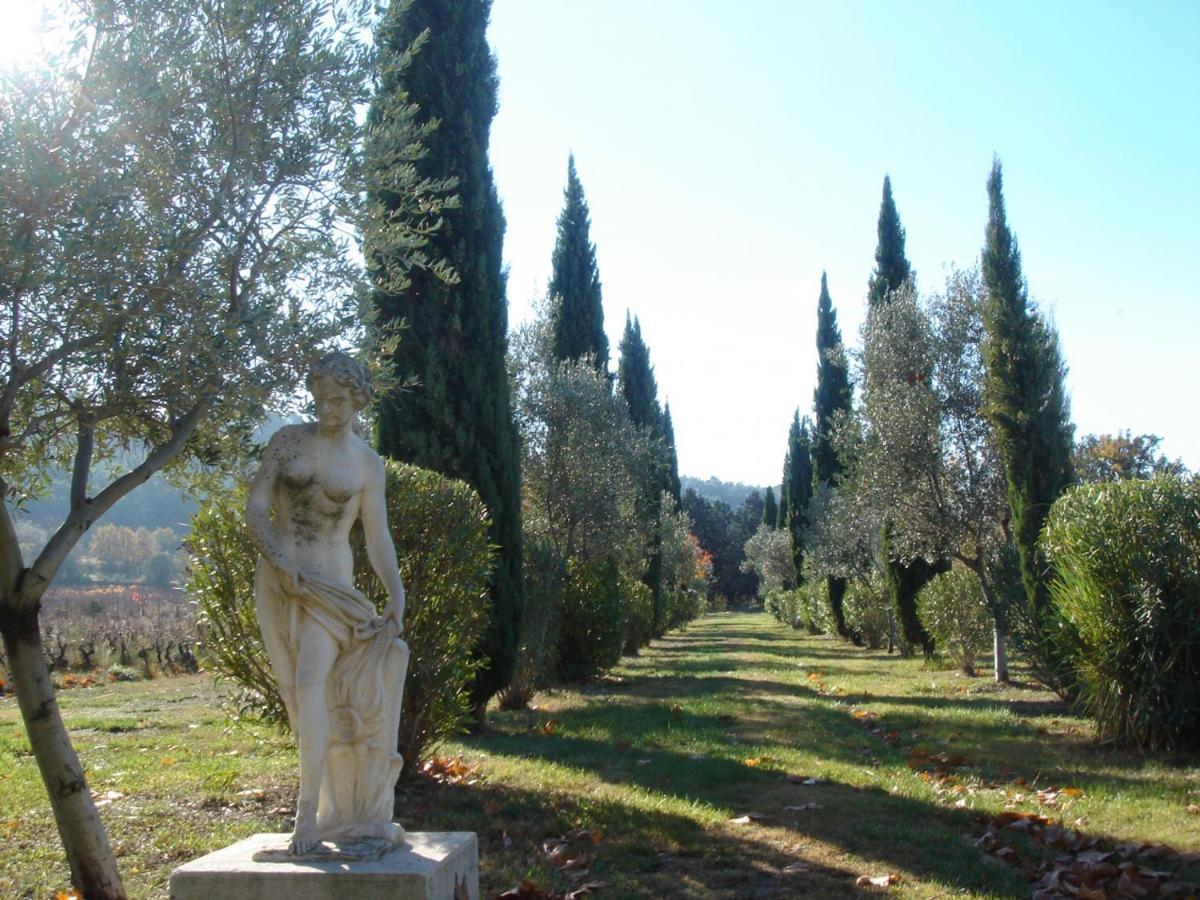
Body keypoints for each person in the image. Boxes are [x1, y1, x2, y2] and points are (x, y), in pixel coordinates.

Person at [246, 352, 409, 856]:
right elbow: (255, 506)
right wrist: (276, 559)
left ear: (358, 399)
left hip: (330, 590)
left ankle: (305, 816)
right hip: (277, 581)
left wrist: (396, 590)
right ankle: (331, 812)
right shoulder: (287, 441)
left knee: (311, 680)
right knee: (296, 699)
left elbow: (376, 537)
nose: (327, 408)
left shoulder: (366, 464)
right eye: (319, 398)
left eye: (337, 399)